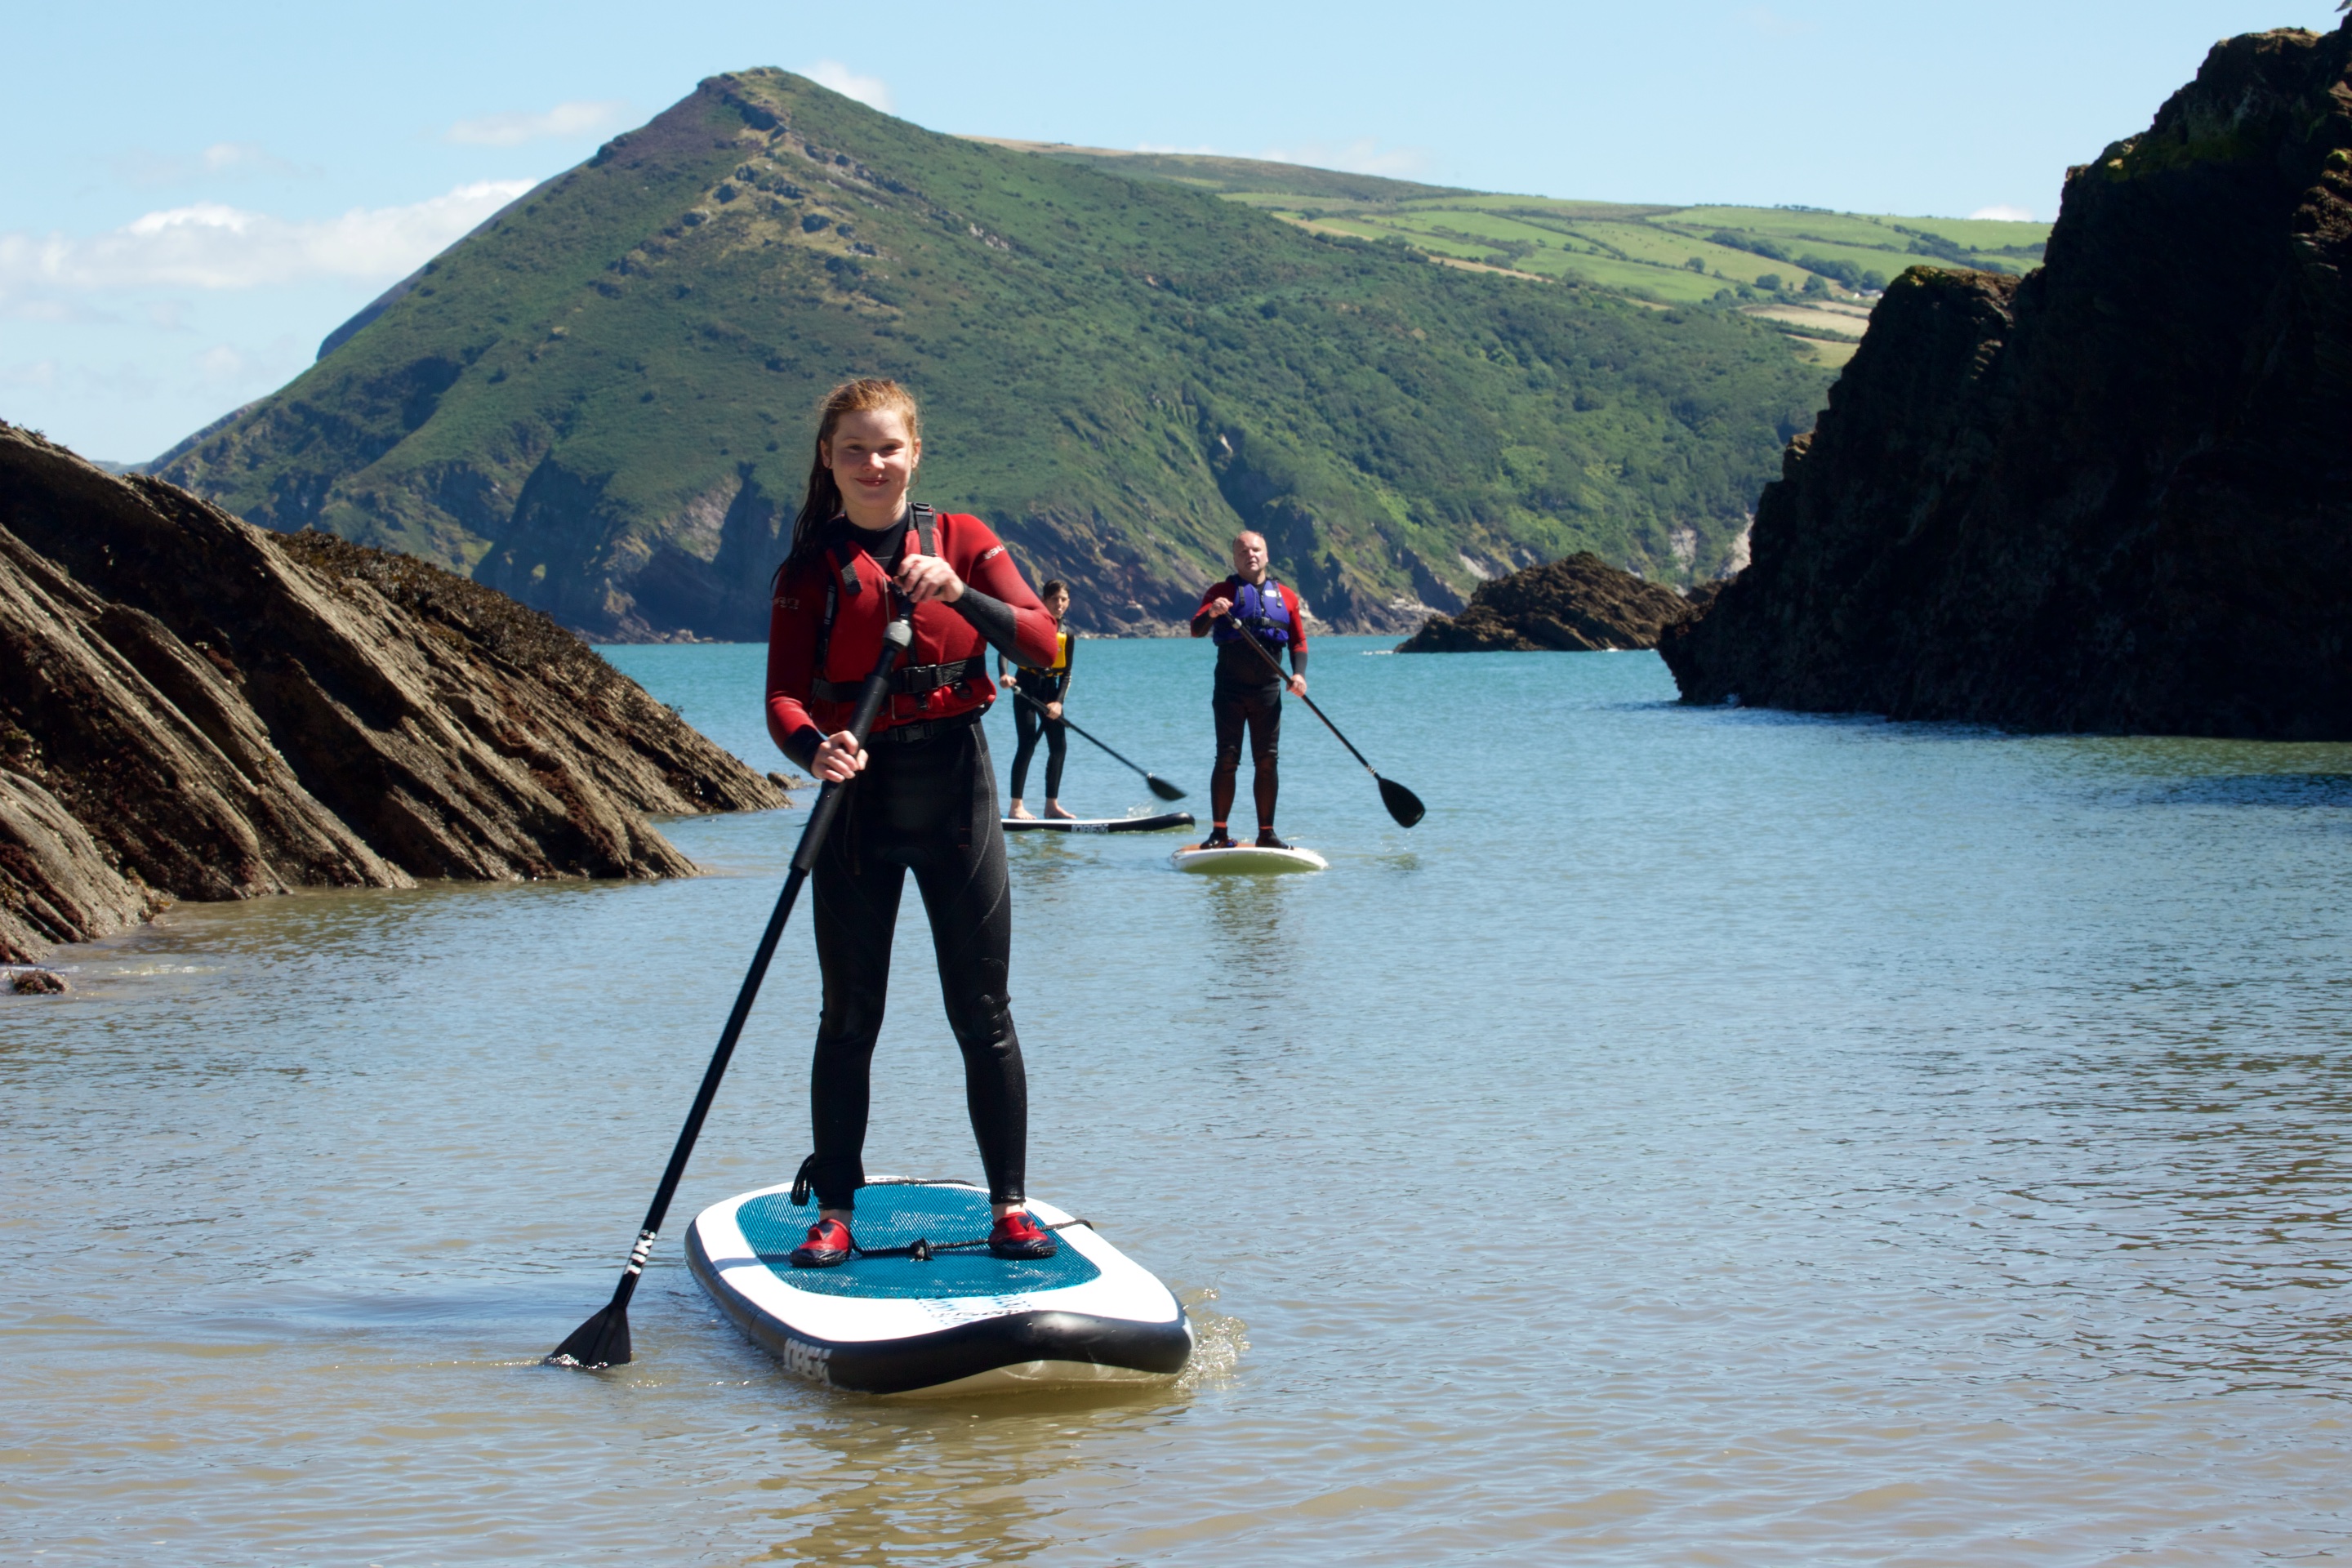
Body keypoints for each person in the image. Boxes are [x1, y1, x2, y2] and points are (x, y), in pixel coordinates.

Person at [764, 378, 1065, 1268]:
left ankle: (1010, 1209)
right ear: (828, 460)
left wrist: (960, 593)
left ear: (915, 454)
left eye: (887, 447)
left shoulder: (963, 539)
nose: (873, 464)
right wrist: (814, 749)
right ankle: (836, 1211)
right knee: (848, 1014)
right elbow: (782, 698)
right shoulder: (809, 570)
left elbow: (1043, 643)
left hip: (956, 788)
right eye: (854, 449)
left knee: (983, 1012)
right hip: (856, 799)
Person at [1188, 531, 1308, 849]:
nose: (1250, 555)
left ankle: (1266, 833)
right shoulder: (1220, 592)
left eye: (1256, 550)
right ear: (1234, 559)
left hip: (1268, 690)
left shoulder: (1287, 596)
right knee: (1227, 758)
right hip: (1229, 688)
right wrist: (1212, 612)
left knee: (1267, 760)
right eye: (1243, 552)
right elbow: (1196, 629)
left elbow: (1298, 641)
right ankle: (1219, 833)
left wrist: (1299, 674)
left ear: (1266, 555)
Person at [1000, 580, 1076, 821]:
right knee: (1027, 744)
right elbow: (1005, 649)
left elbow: (1066, 674)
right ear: (1044, 601)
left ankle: (1051, 806)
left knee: (1059, 748)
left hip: (1051, 693)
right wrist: (1004, 674)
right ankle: (1016, 807)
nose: (1059, 604)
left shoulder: (1068, 634)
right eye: (1054, 599)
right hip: (1026, 688)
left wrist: (1059, 702)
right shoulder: (1030, 624)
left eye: (1063, 599)